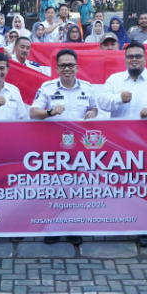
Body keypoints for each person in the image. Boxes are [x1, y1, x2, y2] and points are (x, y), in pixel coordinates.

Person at [97, 42, 147, 247]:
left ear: (145, 59)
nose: (134, 59)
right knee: (119, 184)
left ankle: (143, 227)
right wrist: (118, 98)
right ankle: (118, 221)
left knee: (144, 186)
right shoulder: (115, 80)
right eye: (130, 56)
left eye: (138, 56)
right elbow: (102, 102)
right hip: (119, 143)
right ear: (125, 59)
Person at [31, 49, 97, 246]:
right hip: (54, 149)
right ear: (57, 68)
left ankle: (73, 228)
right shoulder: (47, 87)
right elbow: (33, 113)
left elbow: (94, 107)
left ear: (77, 67)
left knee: (77, 190)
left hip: (80, 150)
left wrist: (93, 112)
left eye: (70, 65)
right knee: (54, 190)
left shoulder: (87, 87)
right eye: (63, 65)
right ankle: (52, 228)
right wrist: (50, 112)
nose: (67, 69)